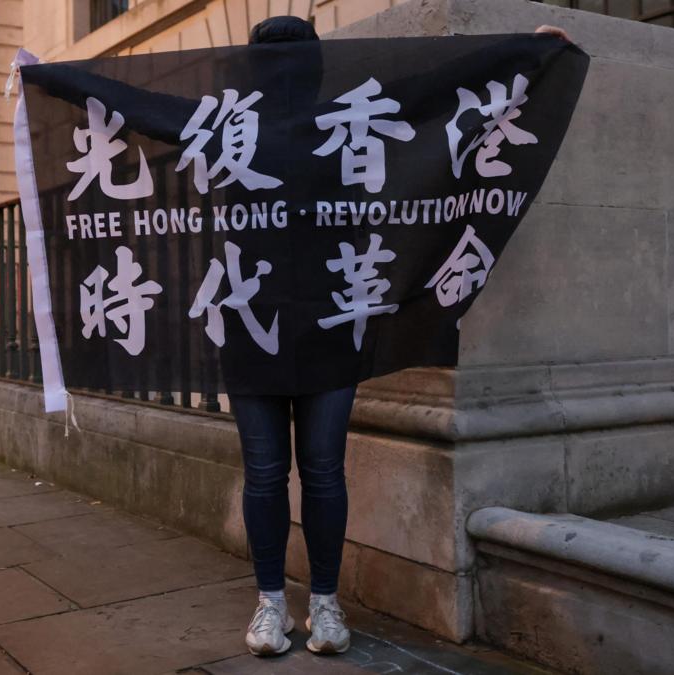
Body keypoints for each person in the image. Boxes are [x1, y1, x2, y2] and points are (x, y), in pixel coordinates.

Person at [236, 16, 571, 658]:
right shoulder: (228, 125)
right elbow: (141, 105)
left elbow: (436, 87)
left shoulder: (344, 118)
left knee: (325, 471)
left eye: (295, 59)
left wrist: (527, 50)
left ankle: (328, 607)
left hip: (333, 320)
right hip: (252, 323)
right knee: (264, 474)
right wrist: (49, 78)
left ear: (313, 66)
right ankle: (270, 604)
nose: (284, 72)